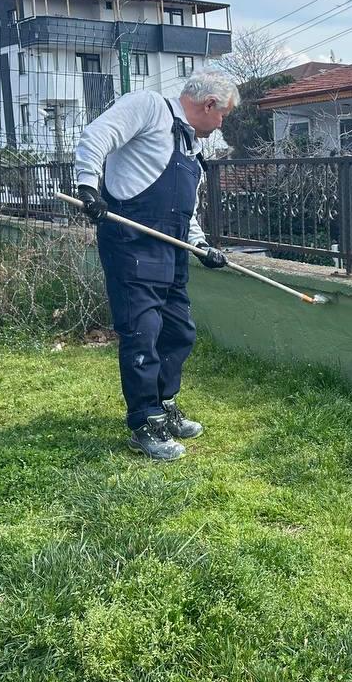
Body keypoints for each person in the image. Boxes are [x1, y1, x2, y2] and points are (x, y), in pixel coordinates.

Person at [73, 72, 239, 460]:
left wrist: (201, 246)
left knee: (178, 331)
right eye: (223, 116)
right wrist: (87, 186)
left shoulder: (189, 147)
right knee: (142, 333)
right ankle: (145, 422)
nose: (221, 126)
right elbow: (97, 136)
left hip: (171, 249)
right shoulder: (148, 107)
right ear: (209, 104)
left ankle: (164, 406)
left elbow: (185, 211)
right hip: (131, 242)